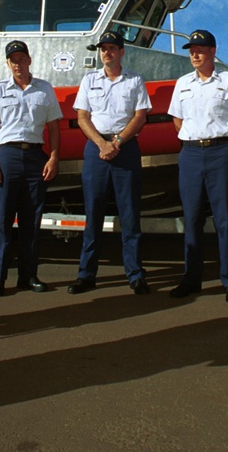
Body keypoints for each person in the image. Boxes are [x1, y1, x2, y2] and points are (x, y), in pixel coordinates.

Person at [167, 29, 228, 303]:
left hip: (220, 153)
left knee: (225, 220)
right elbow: (178, 121)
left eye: (200, 49)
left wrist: (223, 147)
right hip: (190, 154)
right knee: (191, 219)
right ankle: (191, 279)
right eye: (191, 49)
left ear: (213, 51)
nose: (194, 53)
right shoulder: (182, 83)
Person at [67, 31, 152, 295]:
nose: (107, 53)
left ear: (121, 51)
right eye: (103, 49)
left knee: (130, 215)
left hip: (125, 150)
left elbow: (140, 116)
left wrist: (117, 141)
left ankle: (135, 274)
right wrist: (102, 144)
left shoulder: (134, 80)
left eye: (112, 48)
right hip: (96, 150)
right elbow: (82, 117)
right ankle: (86, 274)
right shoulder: (89, 80)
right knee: (93, 215)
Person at [0, 40, 62, 297]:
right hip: (7, 156)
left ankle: (28, 276)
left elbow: (54, 128)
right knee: (2, 220)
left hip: (36, 157)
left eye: (21, 58)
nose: (18, 64)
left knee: (31, 222)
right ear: (8, 63)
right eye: (13, 60)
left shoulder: (45, 89)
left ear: (29, 60)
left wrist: (54, 158)